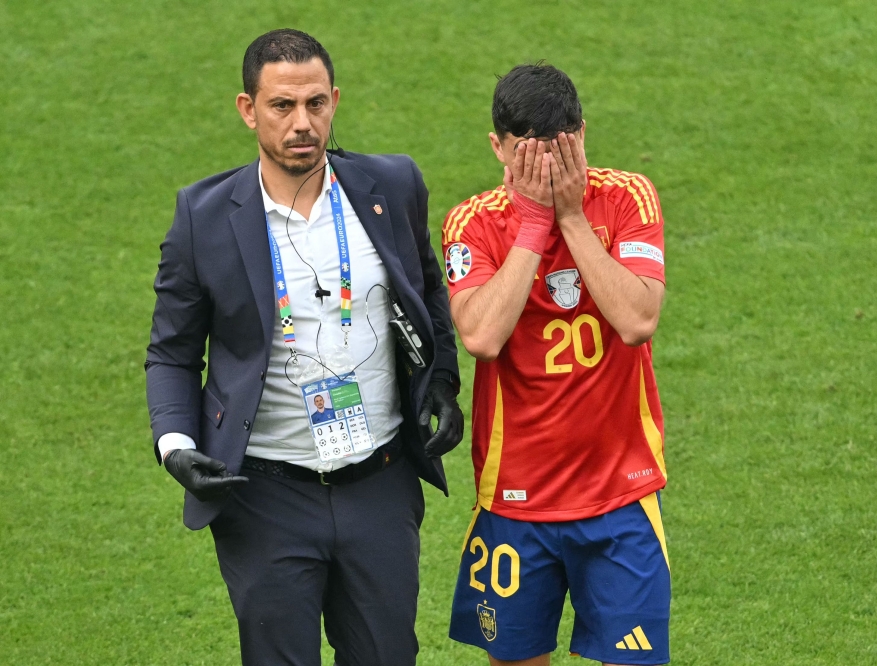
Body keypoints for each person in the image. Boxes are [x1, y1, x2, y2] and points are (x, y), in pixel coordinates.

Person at [145, 29, 463, 666]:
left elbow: (427, 290)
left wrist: (443, 381)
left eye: (316, 104)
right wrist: (175, 446)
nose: (302, 124)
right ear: (248, 109)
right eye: (282, 106)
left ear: (334, 101)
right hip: (264, 494)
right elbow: (172, 352)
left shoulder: (393, 185)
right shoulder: (203, 217)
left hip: (379, 483)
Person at [442, 63, 670, 666]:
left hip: (620, 497)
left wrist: (570, 217)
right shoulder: (473, 223)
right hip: (516, 503)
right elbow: (482, 336)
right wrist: (535, 222)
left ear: (583, 136)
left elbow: (637, 320)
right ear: (498, 148)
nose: (547, 171)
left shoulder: (626, 198)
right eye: (529, 156)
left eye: (560, 152)